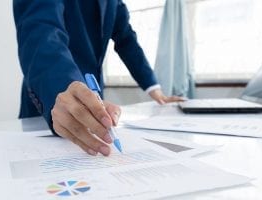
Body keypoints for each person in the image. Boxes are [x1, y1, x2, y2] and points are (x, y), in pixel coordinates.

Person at [13, 0, 183, 156]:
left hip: (92, 100)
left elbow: (127, 40)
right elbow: (41, 32)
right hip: (49, 94)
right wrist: (63, 88)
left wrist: (155, 89)